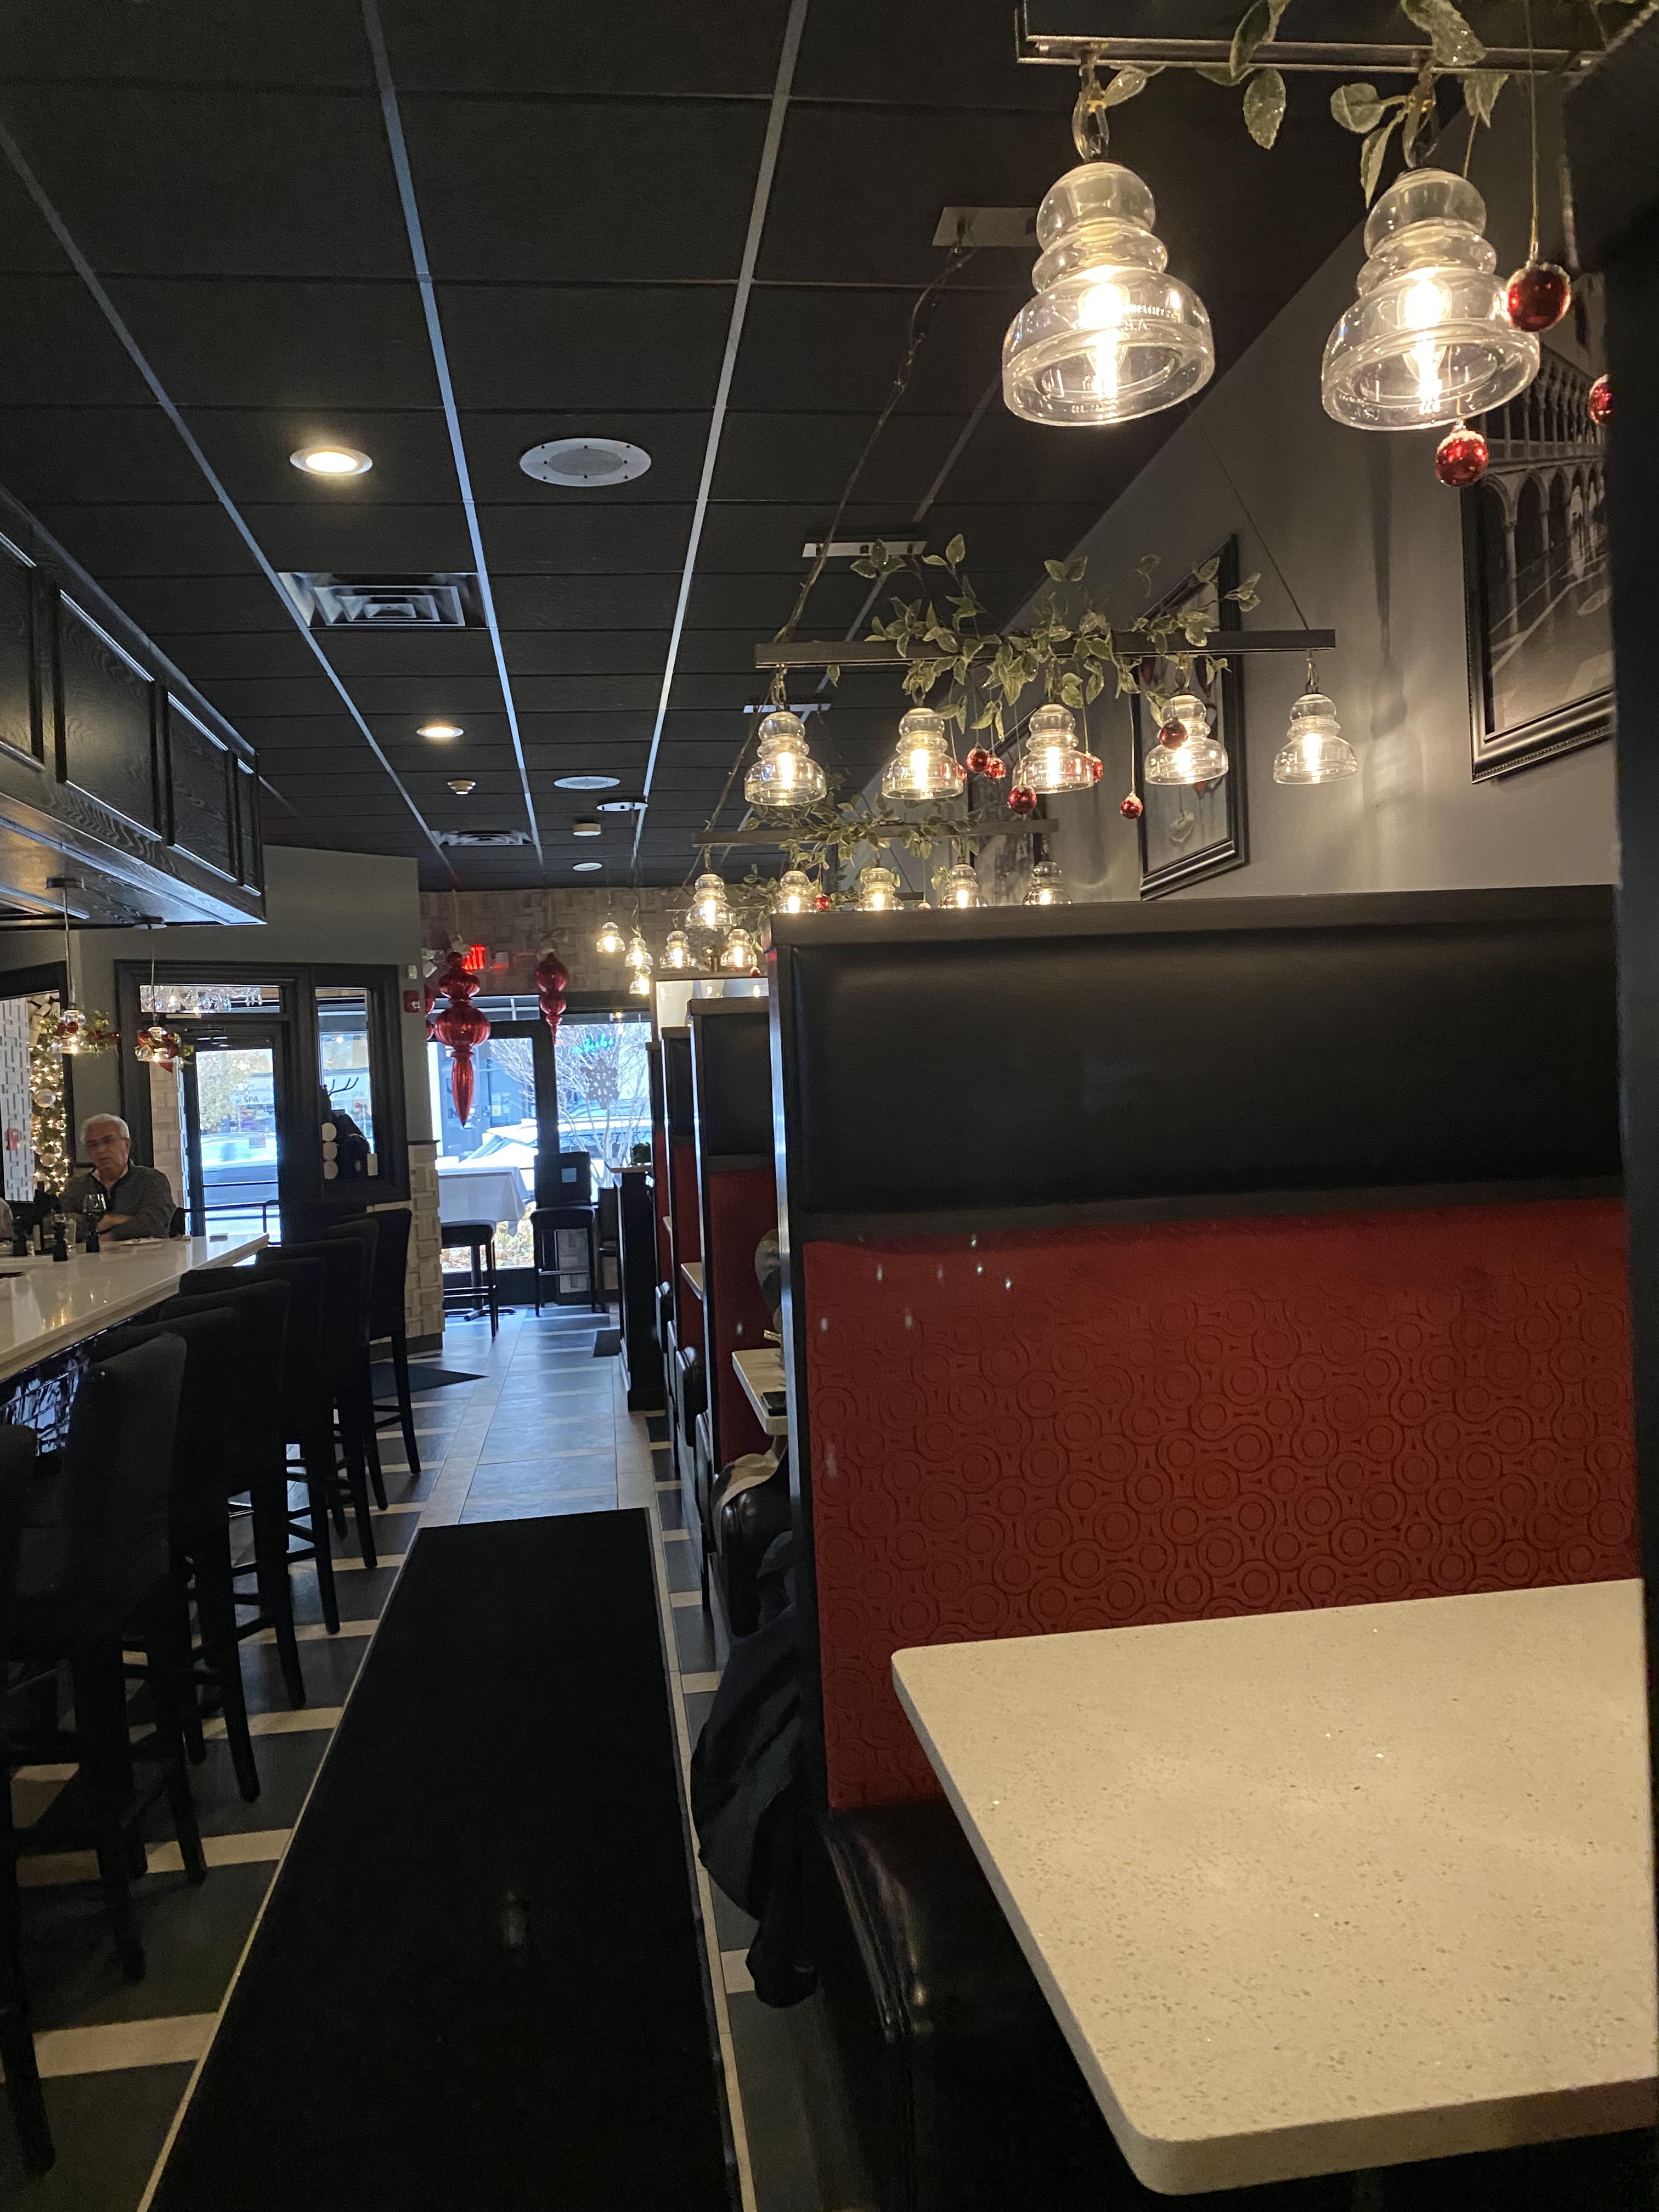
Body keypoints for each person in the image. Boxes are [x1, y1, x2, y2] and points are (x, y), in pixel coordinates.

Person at [62, 1114, 177, 1242]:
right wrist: (128, 1221)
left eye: (108, 1141)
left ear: (127, 1145)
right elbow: (66, 1226)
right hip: (91, 1255)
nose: (101, 1150)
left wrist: (109, 1229)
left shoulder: (151, 1180)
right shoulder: (77, 1187)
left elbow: (155, 1224)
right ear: (88, 1152)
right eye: (93, 1145)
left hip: (146, 1254)